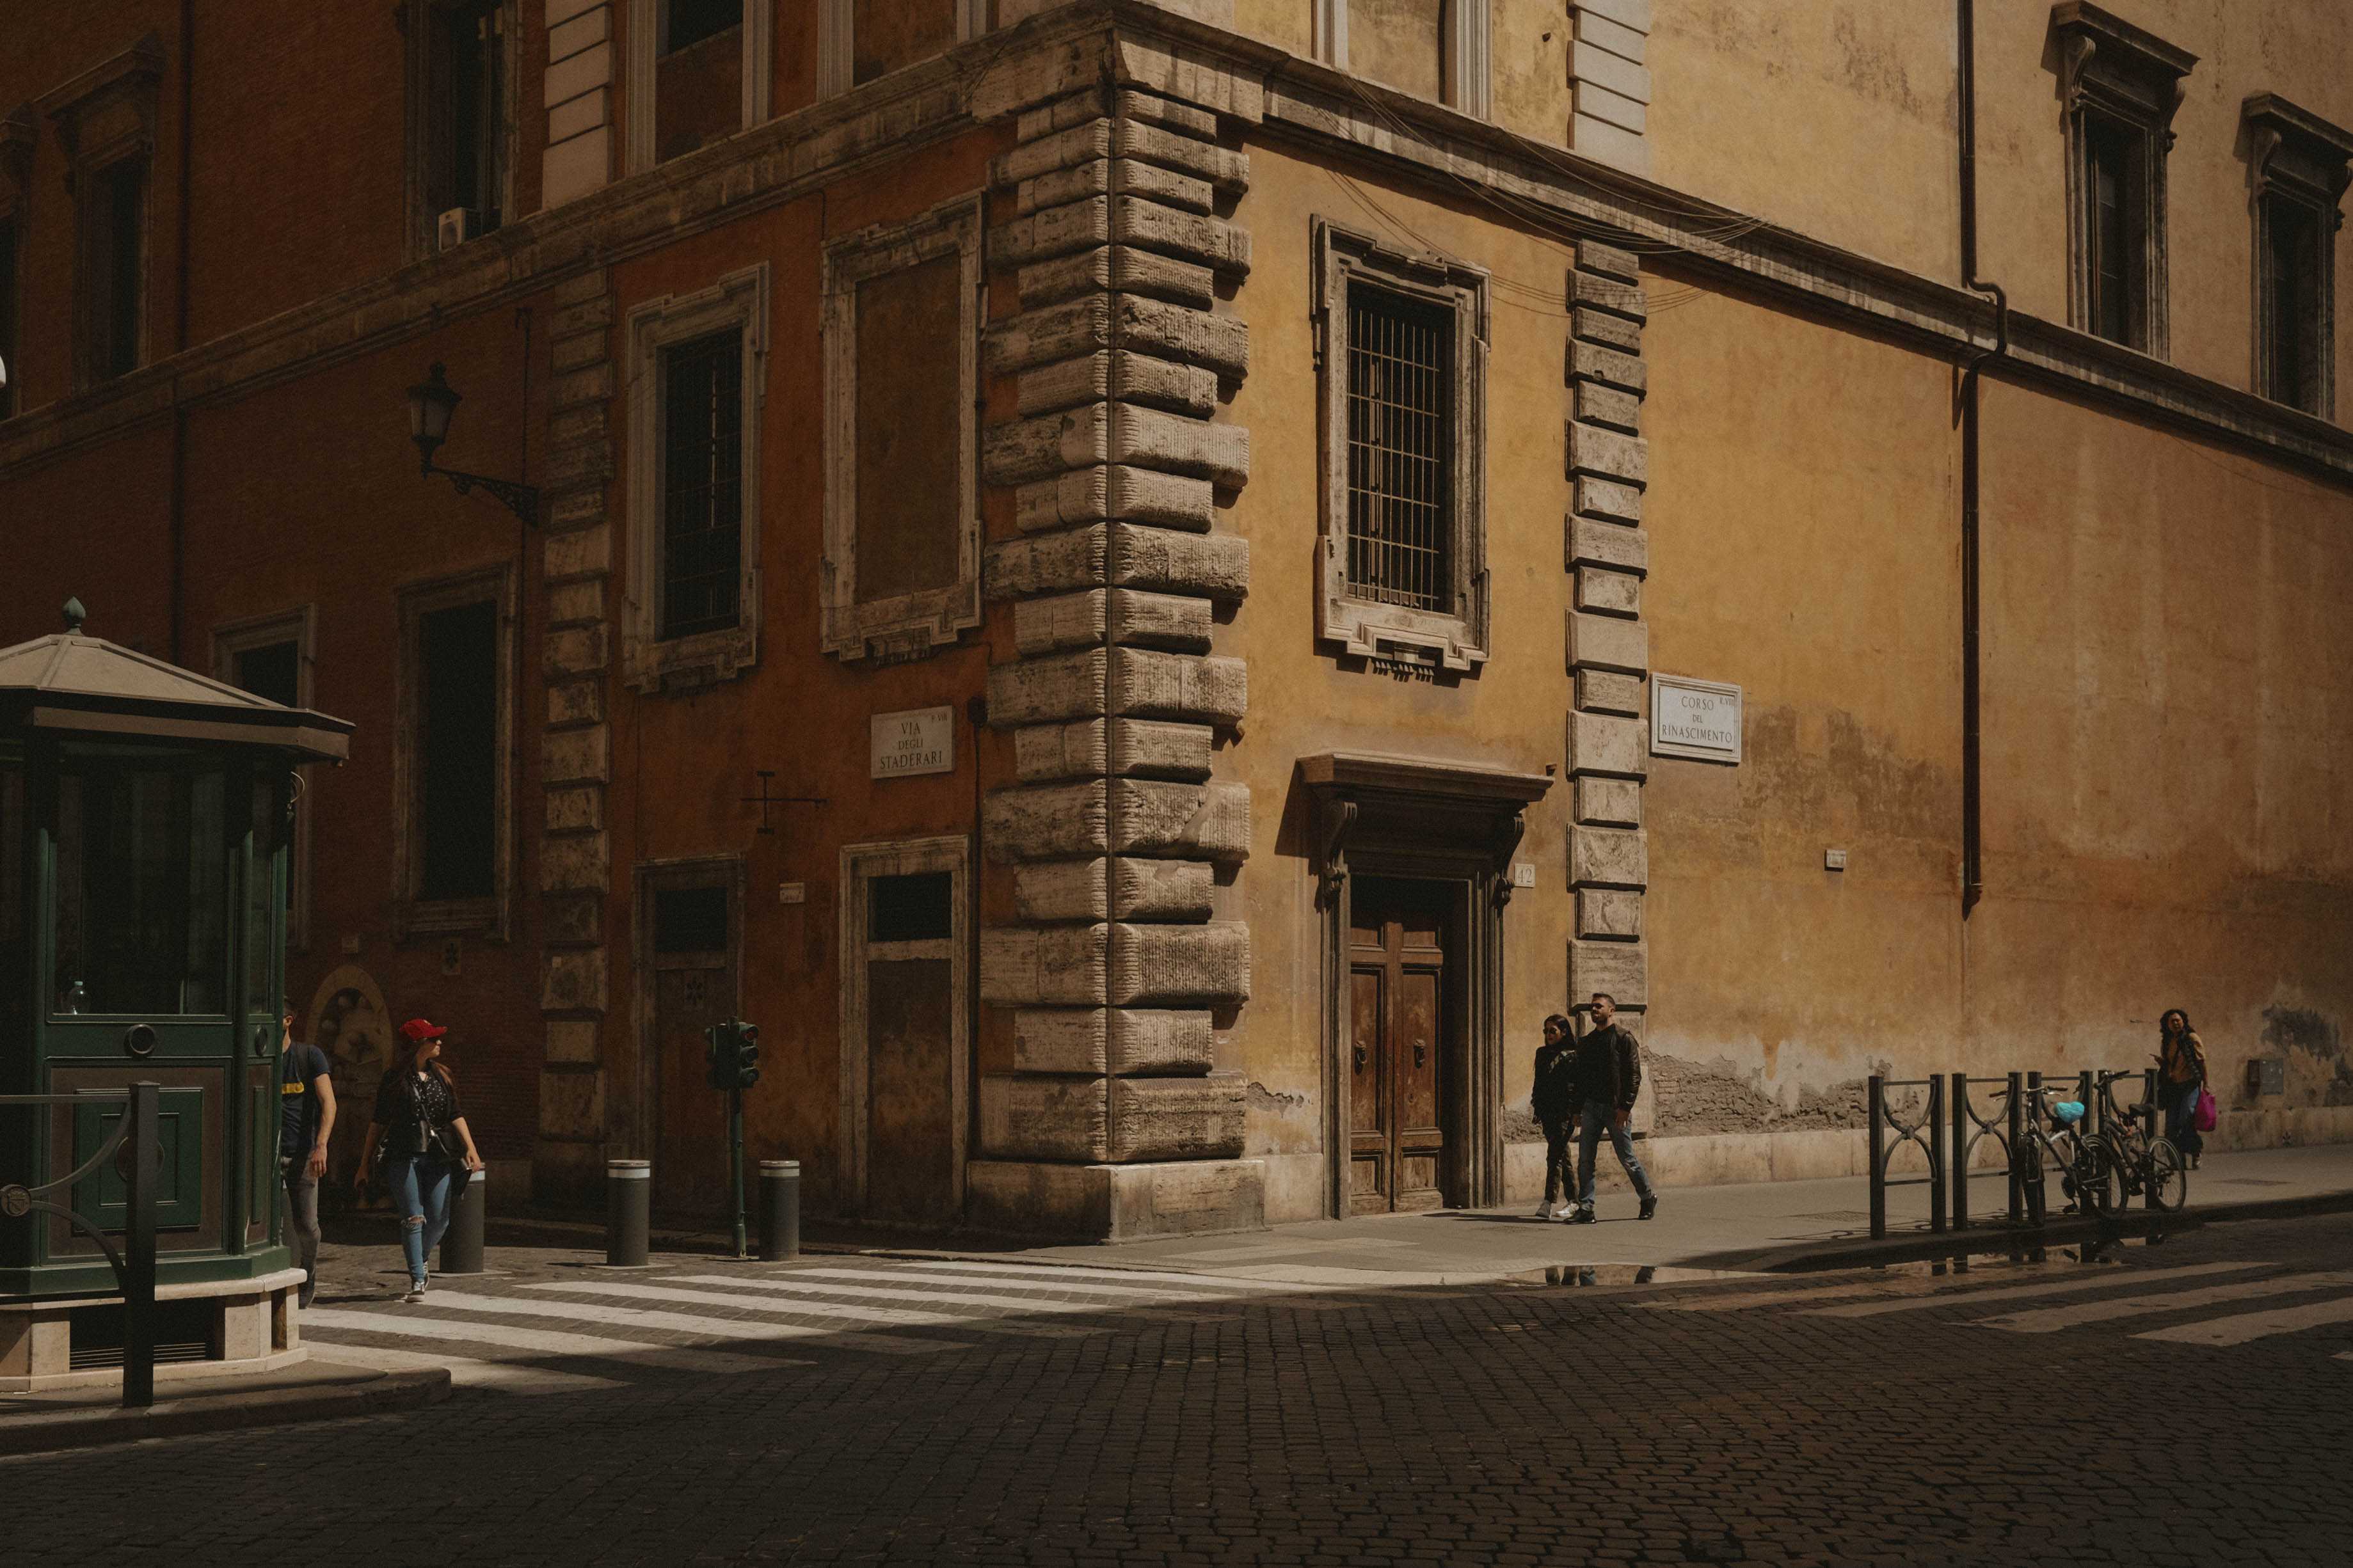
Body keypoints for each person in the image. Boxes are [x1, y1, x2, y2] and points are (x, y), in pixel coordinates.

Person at [357, 1018, 484, 1303]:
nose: (439, 1043)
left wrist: (471, 1148)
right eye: (432, 1039)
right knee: (413, 1218)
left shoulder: (443, 1075)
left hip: (439, 1156)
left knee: (439, 1219)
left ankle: (420, 1256)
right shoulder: (393, 1080)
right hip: (403, 1156)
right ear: (417, 1045)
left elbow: (455, 1114)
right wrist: (365, 1163)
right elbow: (378, 1122)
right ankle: (417, 1277)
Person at [1568, 992, 1657, 1223]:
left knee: (1627, 1158)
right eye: (1592, 1007)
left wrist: (1625, 1109)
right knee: (1585, 1160)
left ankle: (1647, 1197)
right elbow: (1580, 1079)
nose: (1594, 1010)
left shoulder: (1623, 1038)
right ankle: (1586, 1209)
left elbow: (1634, 1077)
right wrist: (1577, 1110)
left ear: (1612, 1010)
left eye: (1599, 1006)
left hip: (1615, 1109)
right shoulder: (1587, 1043)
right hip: (1591, 1108)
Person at [278, 1007, 335, 1310]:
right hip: (269, 1157)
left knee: (307, 1226)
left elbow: (329, 1103)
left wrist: (321, 1145)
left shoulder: (309, 1056)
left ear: (289, 1020)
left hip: (303, 1156)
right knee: (267, 1227)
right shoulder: (261, 1059)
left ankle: (308, 1272)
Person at [1530, 1014, 1579, 1219]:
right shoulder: (1542, 1054)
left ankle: (1548, 1202)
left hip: (1565, 1112)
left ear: (1564, 1032)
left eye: (1553, 1031)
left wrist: (1576, 1112)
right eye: (1546, 1031)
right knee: (1561, 1155)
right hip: (1547, 1112)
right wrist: (1537, 1107)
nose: (1548, 1035)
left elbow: (1577, 1087)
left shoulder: (1572, 1056)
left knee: (1554, 1154)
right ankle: (1575, 1201)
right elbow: (1538, 1083)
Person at [2157, 1008, 2208, 1170]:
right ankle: (2176, 1160)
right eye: (2172, 1021)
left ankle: (2195, 1151)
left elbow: (2201, 1062)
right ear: (2167, 1025)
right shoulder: (2167, 1041)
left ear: (2184, 1021)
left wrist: (2206, 1084)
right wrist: (2162, 1063)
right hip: (2173, 1086)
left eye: (2178, 1020)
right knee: (2171, 1124)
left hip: (2190, 1084)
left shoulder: (2191, 1038)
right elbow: (2169, 1062)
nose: (2176, 1023)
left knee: (2185, 1118)